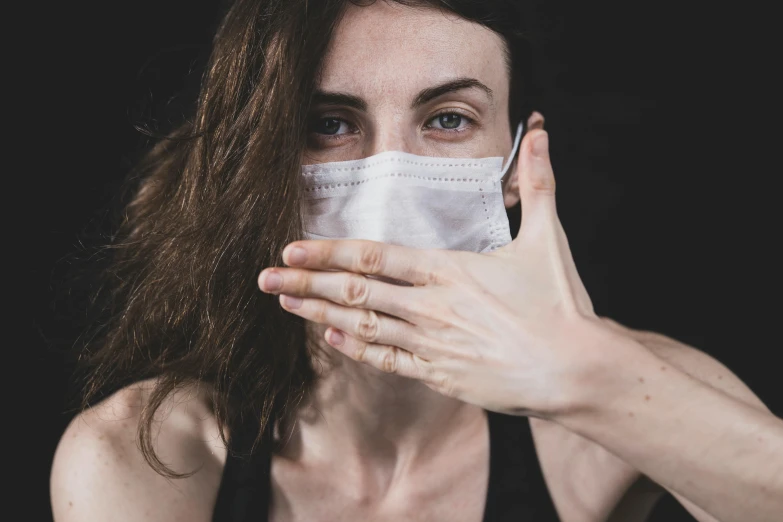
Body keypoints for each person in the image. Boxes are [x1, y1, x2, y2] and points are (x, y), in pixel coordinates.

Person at [50, 1, 783, 521]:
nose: (389, 174)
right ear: (257, 161)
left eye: (446, 119)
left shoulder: (621, 396)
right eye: (328, 124)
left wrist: (586, 374)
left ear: (514, 164)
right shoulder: (150, 454)